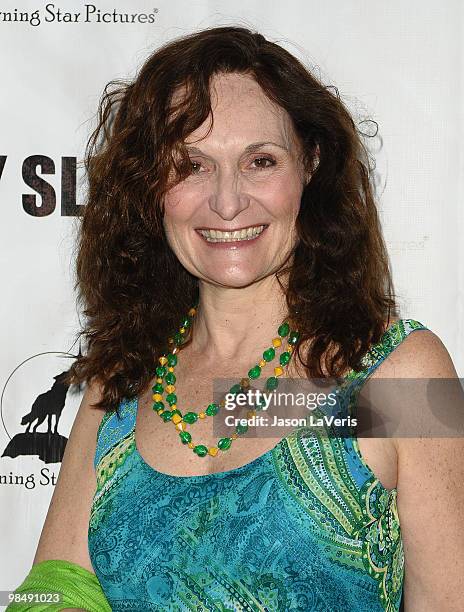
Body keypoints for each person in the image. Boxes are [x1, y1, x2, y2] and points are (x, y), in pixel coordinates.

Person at [7, 26, 464, 612]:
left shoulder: (404, 376)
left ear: (311, 166)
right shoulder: (122, 379)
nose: (227, 202)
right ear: (151, 186)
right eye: (191, 165)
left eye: (260, 161)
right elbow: (56, 590)